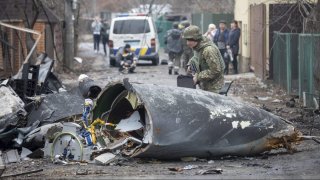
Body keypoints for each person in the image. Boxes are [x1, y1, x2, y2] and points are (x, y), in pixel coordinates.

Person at [183, 25, 225, 93]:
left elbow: (216, 70)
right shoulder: (197, 47)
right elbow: (196, 58)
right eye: (187, 40)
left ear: (196, 38)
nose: (187, 43)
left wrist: (197, 77)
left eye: (190, 40)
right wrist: (190, 65)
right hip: (205, 86)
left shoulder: (208, 50)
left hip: (214, 88)